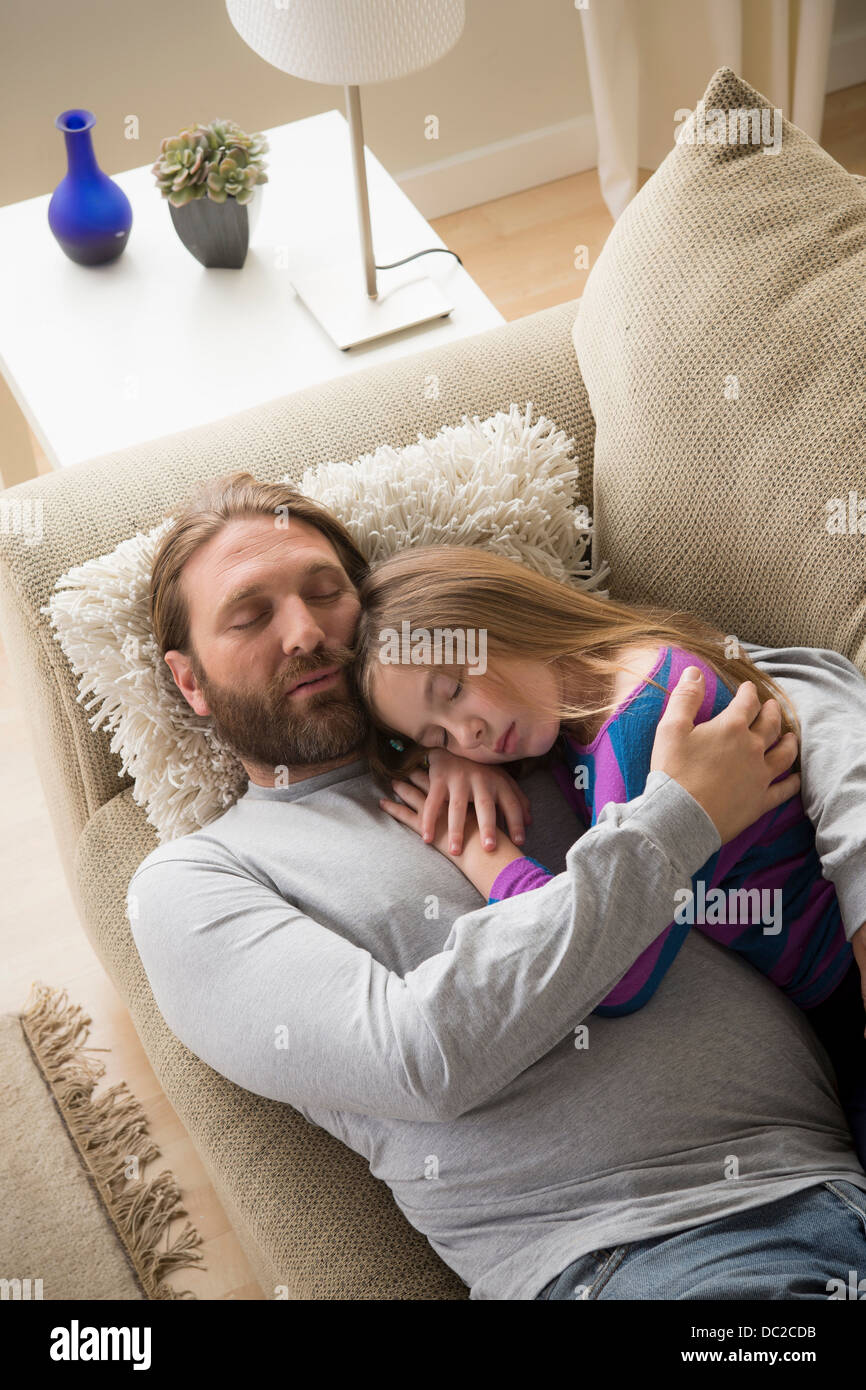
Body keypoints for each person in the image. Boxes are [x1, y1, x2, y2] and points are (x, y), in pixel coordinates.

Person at [129, 471, 866, 1301]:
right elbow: (418, 1057)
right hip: (645, 1255)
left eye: (325, 591)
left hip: (836, 1167)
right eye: (251, 614)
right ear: (190, 681)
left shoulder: (514, 719)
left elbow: (773, 685)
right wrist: (675, 820)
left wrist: (437, 736)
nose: (304, 631)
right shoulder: (197, 883)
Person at [354, 543, 866, 1168]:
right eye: (439, 732)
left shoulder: (643, 722)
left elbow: (616, 971)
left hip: (844, 989)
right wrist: (446, 759)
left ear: (500, 615)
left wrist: (484, 855)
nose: (470, 734)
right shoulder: (582, 705)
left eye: (455, 689)